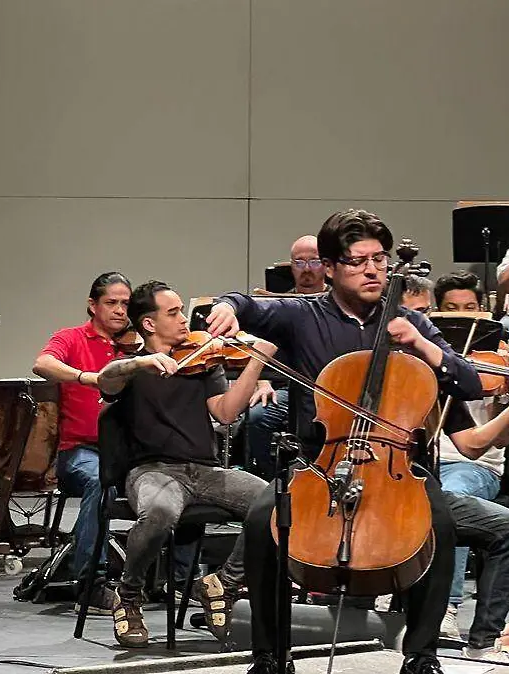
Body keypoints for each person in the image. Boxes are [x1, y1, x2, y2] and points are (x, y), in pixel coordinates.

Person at [204, 209, 483, 674]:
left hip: (396, 467)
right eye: (358, 261)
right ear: (329, 267)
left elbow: (469, 384)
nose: (373, 270)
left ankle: (420, 654)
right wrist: (229, 306)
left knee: (440, 523)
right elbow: (247, 303)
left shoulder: (409, 322)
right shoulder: (300, 317)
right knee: (260, 521)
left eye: (380, 259)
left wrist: (422, 345)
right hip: (318, 463)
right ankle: (270, 656)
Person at [95, 281, 273, 648]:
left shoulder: (202, 361)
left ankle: (222, 582)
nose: (186, 319)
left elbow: (225, 414)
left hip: (204, 471)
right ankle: (128, 596)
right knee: (159, 513)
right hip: (152, 470)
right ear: (148, 324)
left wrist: (257, 362)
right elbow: (105, 381)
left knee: (274, 500)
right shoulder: (129, 369)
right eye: (173, 312)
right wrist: (139, 361)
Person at [32, 272, 132, 614]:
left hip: (129, 454)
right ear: (93, 305)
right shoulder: (71, 338)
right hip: (80, 452)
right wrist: (85, 377)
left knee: (180, 477)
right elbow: (42, 364)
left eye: (126, 304)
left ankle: (177, 578)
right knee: (99, 480)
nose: (120, 310)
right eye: (111, 303)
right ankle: (92, 583)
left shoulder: (134, 347)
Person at [433, 376, 509, 661]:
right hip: (425, 464)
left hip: (472, 466)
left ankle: (449, 606)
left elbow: (500, 440)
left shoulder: (504, 377)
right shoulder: (431, 372)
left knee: (452, 496)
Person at [246, 234, 329, 478]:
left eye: (314, 262)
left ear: (326, 264)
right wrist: (263, 383)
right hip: (284, 388)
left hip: (329, 389)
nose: (306, 270)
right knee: (258, 416)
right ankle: (273, 484)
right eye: (299, 262)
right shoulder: (278, 307)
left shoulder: (337, 305)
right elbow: (258, 346)